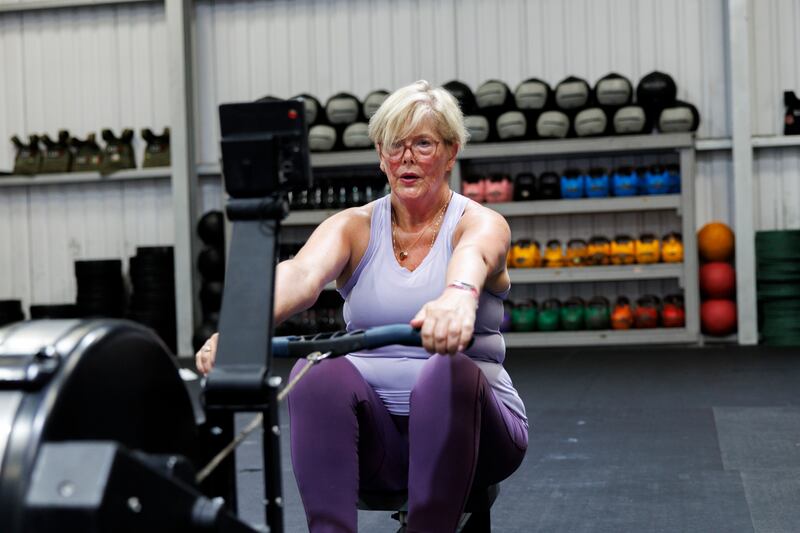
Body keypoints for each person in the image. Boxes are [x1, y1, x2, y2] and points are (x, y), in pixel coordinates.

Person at [196, 80, 528, 533]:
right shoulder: (353, 226)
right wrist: (240, 328)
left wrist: (457, 298)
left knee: (446, 368)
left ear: (451, 153)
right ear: (380, 153)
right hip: (380, 441)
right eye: (395, 145)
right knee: (316, 370)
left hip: (480, 433)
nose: (406, 157)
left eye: (423, 144)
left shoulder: (480, 222)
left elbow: (475, 256)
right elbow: (301, 275)